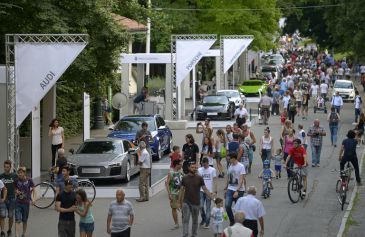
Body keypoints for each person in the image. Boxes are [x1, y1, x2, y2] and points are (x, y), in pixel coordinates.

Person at [178, 162, 214, 237]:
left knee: (195, 221)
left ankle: (194, 235)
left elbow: (205, 189)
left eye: (195, 167)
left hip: (196, 203)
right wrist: (179, 202)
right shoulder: (184, 178)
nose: (194, 169)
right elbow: (181, 190)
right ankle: (185, 235)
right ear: (189, 168)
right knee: (185, 220)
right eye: (192, 167)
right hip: (186, 202)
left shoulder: (199, 178)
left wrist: (213, 198)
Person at [224, 153, 246, 226]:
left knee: (238, 208)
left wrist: (237, 190)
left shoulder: (241, 166)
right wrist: (226, 188)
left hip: (239, 190)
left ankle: (239, 223)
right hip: (230, 189)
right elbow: (228, 178)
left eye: (229, 158)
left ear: (234, 158)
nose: (228, 159)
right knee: (227, 205)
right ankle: (232, 220)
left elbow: (241, 179)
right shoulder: (230, 166)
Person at [14, 167, 35, 237]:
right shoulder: (16, 180)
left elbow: (34, 189)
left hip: (26, 203)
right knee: (17, 219)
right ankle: (16, 235)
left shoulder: (29, 180)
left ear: (24, 173)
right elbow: (15, 189)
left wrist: (34, 199)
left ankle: (24, 233)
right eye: (19, 173)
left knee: (25, 220)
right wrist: (16, 191)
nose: (19, 174)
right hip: (18, 202)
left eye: (21, 172)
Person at [198, 158, 217, 229]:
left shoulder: (212, 170)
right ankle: (204, 218)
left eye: (205, 164)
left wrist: (215, 191)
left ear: (208, 163)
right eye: (203, 164)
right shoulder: (199, 170)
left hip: (209, 191)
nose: (204, 165)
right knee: (201, 206)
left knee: (208, 207)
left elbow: (215, 180)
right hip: (201, 190)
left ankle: (207, 222)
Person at [0, 160, 17, 237]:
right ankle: (2, 231)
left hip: (12, 198)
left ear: (10, 167)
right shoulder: (1, 176)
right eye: (5, 167)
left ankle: (9, 230)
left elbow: (17, 185)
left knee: (10, 216)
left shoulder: (14, 176)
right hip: (3, 199)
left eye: (7, 167)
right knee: (2, 215)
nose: (6, 168)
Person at [165, 159, 183, 229]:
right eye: (180, 164)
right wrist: (169, 194)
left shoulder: (181, 172)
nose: (181, 165)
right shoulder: (171, 173)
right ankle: (176, 223)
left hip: (182, 193)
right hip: (174, 193)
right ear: (177, 165)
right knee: (174, 208)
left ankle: (184, 221)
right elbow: (167, 184)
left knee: (184, 207)